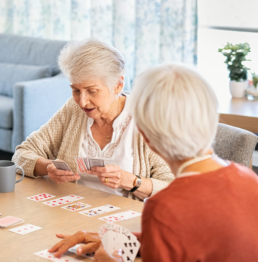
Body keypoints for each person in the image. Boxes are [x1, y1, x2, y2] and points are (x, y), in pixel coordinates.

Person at [49, 64, 258, 262]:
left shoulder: (166, 208)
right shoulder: (249, 179)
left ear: (146, 138)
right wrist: (125, 241)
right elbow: (201, 240)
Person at [12, 39, 173, 200]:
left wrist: (131, 181)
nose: (82, 102)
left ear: (118, 85)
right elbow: (21, 155)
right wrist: (47, 167)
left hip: (126, 219)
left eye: (92, 91)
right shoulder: (74, 110)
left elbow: (172, 187)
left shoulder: (147, 118)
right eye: (75, 90)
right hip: (71, 211)